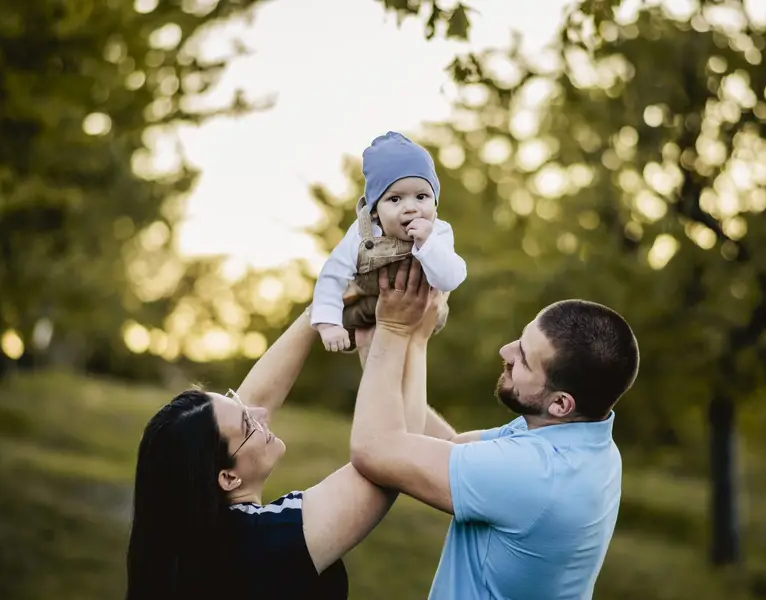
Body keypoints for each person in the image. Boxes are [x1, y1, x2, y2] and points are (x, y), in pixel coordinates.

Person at [350, 259, 640, 599]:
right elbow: (448, 448)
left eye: (523, 359)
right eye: (520, 339)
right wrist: (408, 343)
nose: (505, 351)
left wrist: (395, 331)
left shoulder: (537, 472)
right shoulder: (579, 437)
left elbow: (374, 450)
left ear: (561, 404)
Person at [125, 299, 449, 600]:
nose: (261, 415)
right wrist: (401, 332)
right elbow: (391, 453)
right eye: (249, 424)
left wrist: (320, 308)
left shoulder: (186, 546)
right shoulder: (265, 541)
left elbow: (252, 406)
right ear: (227, 477)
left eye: (239, 404)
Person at [310, 131, 466, 352]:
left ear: (435, 200)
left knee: (409, 355)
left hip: (423, 308)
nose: (411, 207)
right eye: (395, 199)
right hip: (368, 306)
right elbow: (332, 275)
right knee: (364, 338)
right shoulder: (362, 233)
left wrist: (428, 243)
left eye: (421, 197)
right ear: (374, 211)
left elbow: (451, 278)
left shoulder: (438, 232)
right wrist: (328, 325)